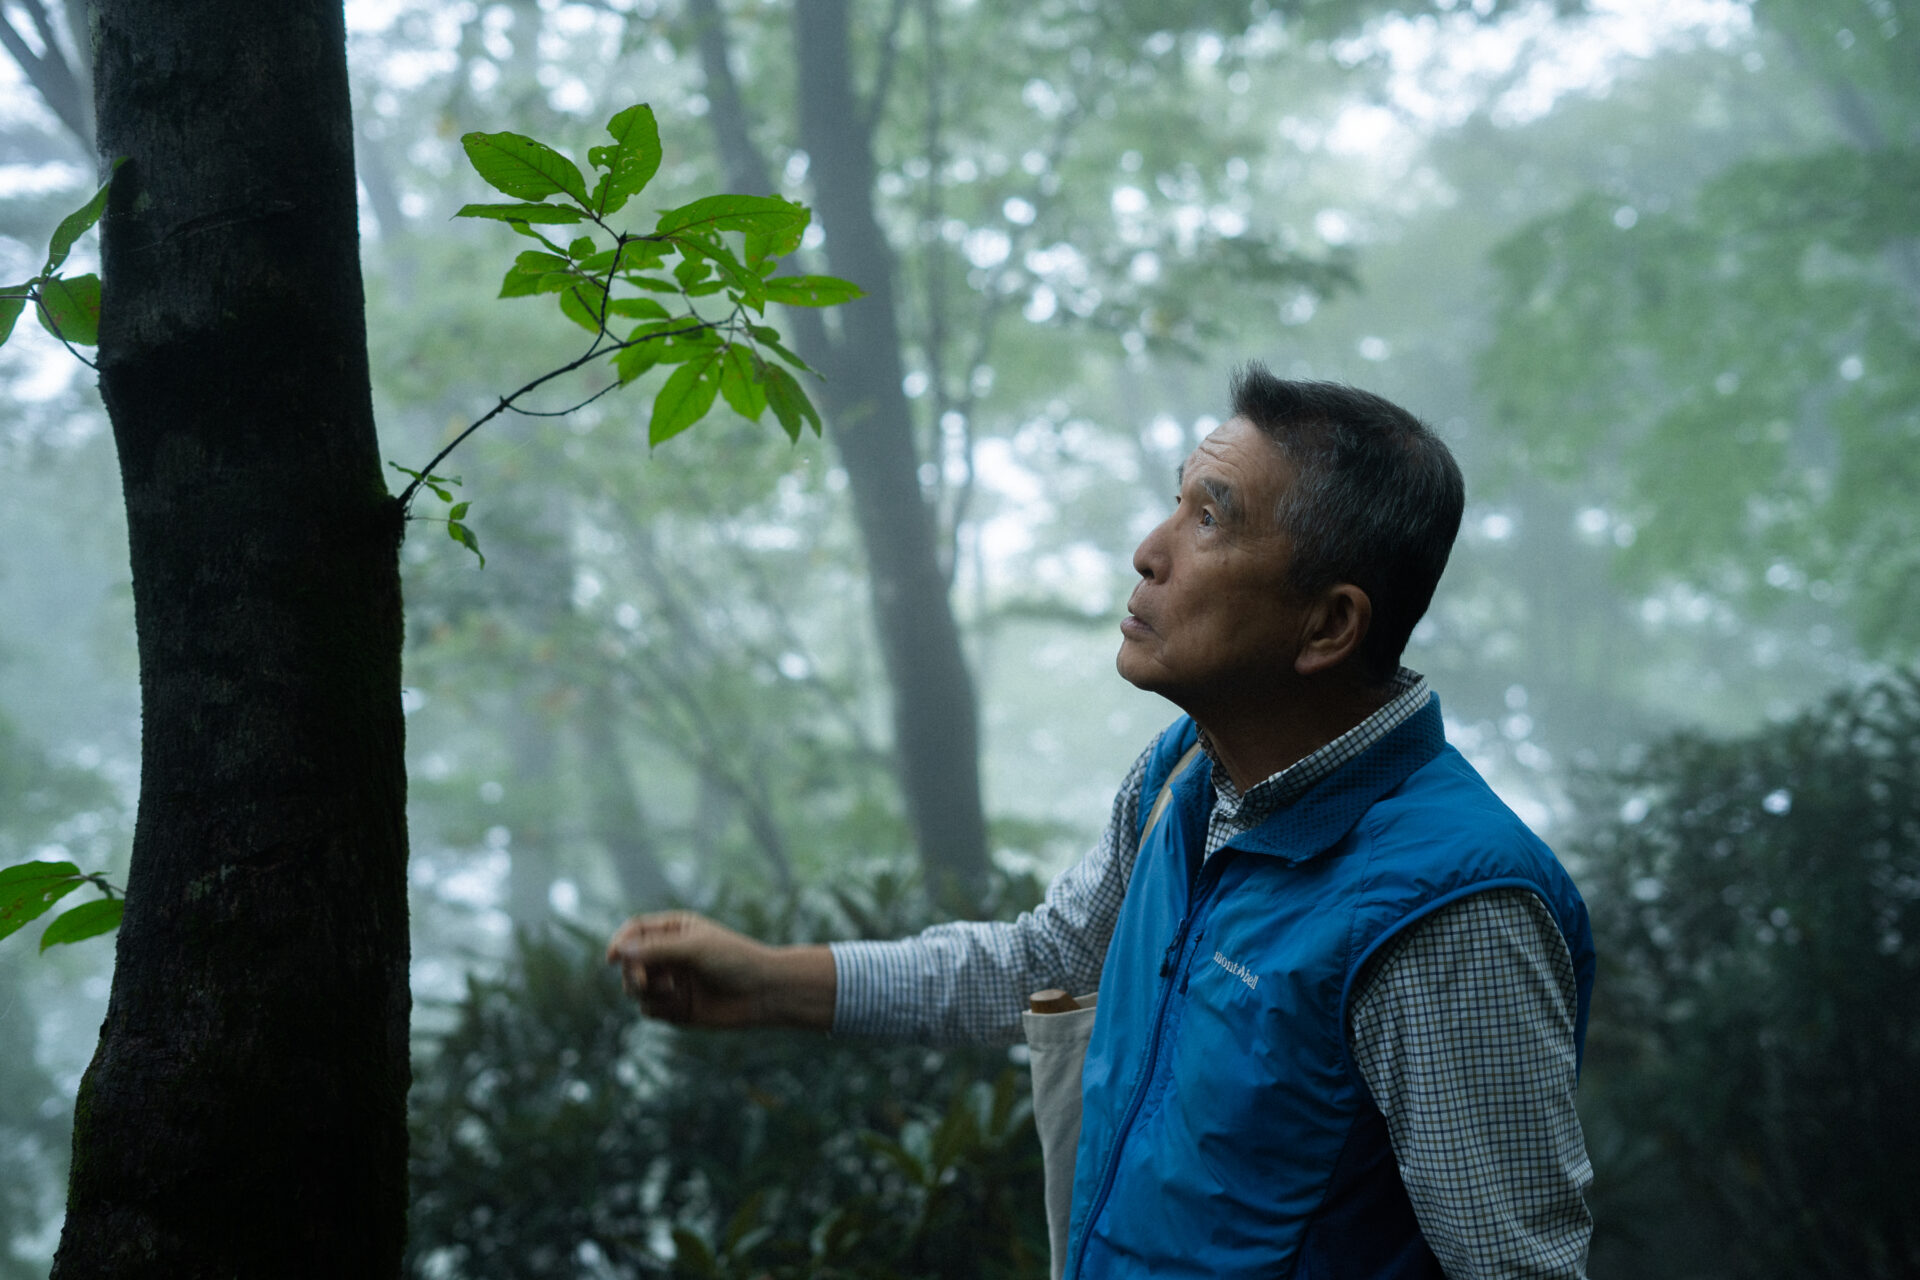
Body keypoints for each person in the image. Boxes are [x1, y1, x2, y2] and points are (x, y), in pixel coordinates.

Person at [607, 366, 1597, 1279]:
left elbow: (1516, 1267)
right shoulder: (1186, 777)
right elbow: (1050, 963)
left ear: (1330, 624)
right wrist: (771, 982)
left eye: (1211, 517)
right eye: (1177, 498)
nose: (1150, 548)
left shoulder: (1452, 907)